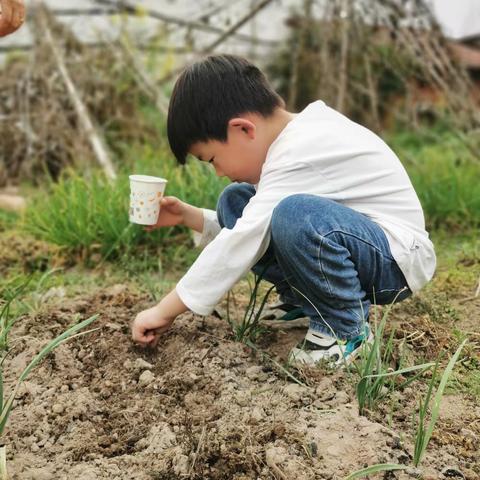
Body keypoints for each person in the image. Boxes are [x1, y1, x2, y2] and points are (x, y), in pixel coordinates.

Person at [131, 54, 436, 366]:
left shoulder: (299, 151)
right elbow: (251, 225)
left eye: (212, 160)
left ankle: (346, 330)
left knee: (295, 214)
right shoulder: (290, 142)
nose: (218, 171)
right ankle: (302, 303)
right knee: (236, 200)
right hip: (363, 245)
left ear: (243, 130)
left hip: (396, 262)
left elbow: (240, 242)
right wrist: (189, 217)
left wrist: (163, 310)